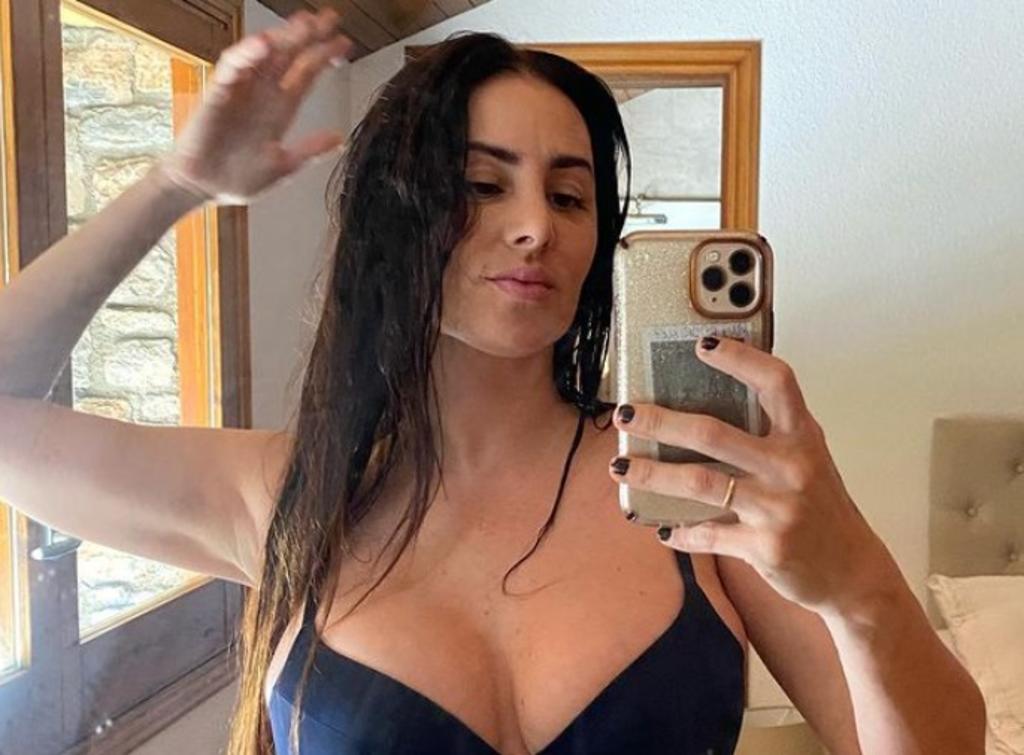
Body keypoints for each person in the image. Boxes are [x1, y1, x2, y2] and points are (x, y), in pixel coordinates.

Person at [0, 8, 985, 755]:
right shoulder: (285, 493)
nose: (535, 225)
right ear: (397, 214)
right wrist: (175, 183)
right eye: (481, 184)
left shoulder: (698, 487)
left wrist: (856, 587)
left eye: (570, 195)